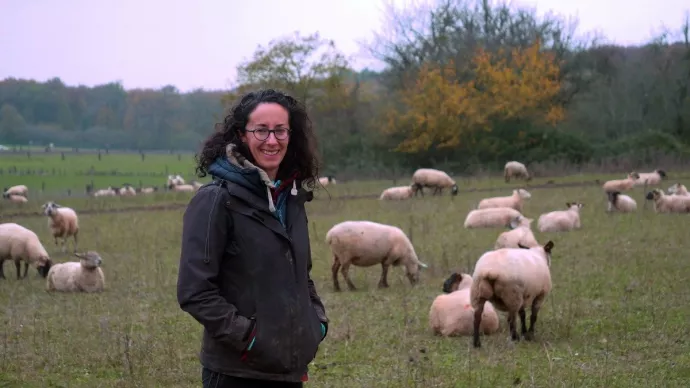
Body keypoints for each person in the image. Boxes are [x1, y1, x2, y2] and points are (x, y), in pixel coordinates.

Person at [177, 89, 328, 388]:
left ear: (291, 135)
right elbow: (195, 291)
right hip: (237, 373)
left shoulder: (291, 199)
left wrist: (316, 323)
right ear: (242, 135)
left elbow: (302, 276)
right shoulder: (216, 200)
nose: (272, 140)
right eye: (261, 130)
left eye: (280, 130)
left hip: (289, 368)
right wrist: (250, 339)